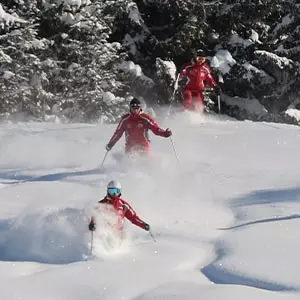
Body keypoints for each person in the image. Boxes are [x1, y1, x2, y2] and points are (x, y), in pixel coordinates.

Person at [105, 98, 172, 154]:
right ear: (130, 108)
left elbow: (156, 129)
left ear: (140, 108)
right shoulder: (125, 119)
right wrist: (111, 144)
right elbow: (118, 133)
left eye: (137, 108)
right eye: (133, 108)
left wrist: (165, 133)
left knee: (145, 163)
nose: (135, 110)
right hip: (130, 146)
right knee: (129, 162)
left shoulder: (145, 118)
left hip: (143, 145)